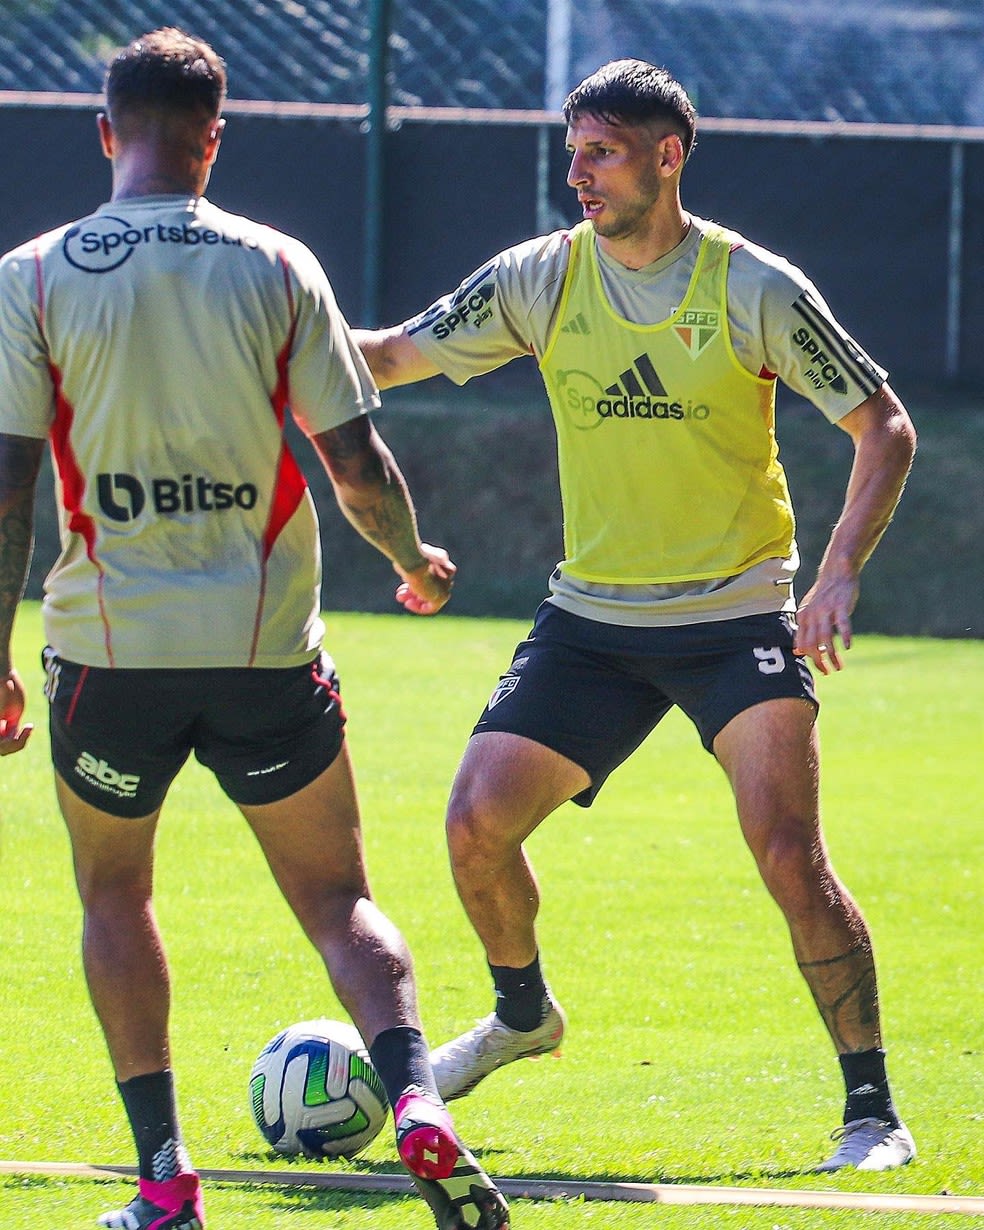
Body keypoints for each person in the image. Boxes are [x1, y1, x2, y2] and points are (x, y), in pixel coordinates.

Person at [353, 58, 918, 1173]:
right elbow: (389, 356)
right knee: (475, 825)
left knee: (788, 857)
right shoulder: (540, 277)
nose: (580, 175)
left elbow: (883, 424)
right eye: (573, 154)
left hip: (735, 612)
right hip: (594, 621)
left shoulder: (751, 286)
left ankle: (873, 1112)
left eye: (602, 153)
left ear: (669, 156)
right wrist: (261, 343)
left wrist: (840, 568)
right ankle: (522, 1016)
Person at [0, 28, 508, 1230]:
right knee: (339, 902)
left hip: (108, 659)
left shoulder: (31, 276)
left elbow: (6, 495)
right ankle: (420, 1105)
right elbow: (358, 463)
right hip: (268, 656)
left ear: (105, 131)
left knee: (115, 898)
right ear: (215, 140)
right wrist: (412, 561)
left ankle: (168, 1184)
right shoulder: (280, 265)